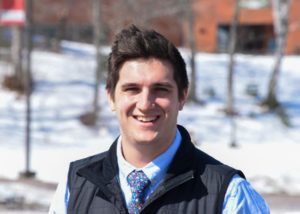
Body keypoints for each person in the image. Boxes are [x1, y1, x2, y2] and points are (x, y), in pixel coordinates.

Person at [49, 25, 270, 214]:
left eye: (160, 89)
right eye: (132, 89)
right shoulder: (75, 187)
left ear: (182, 96)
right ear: (111, 97)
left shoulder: (228, 195)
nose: (145, 103)